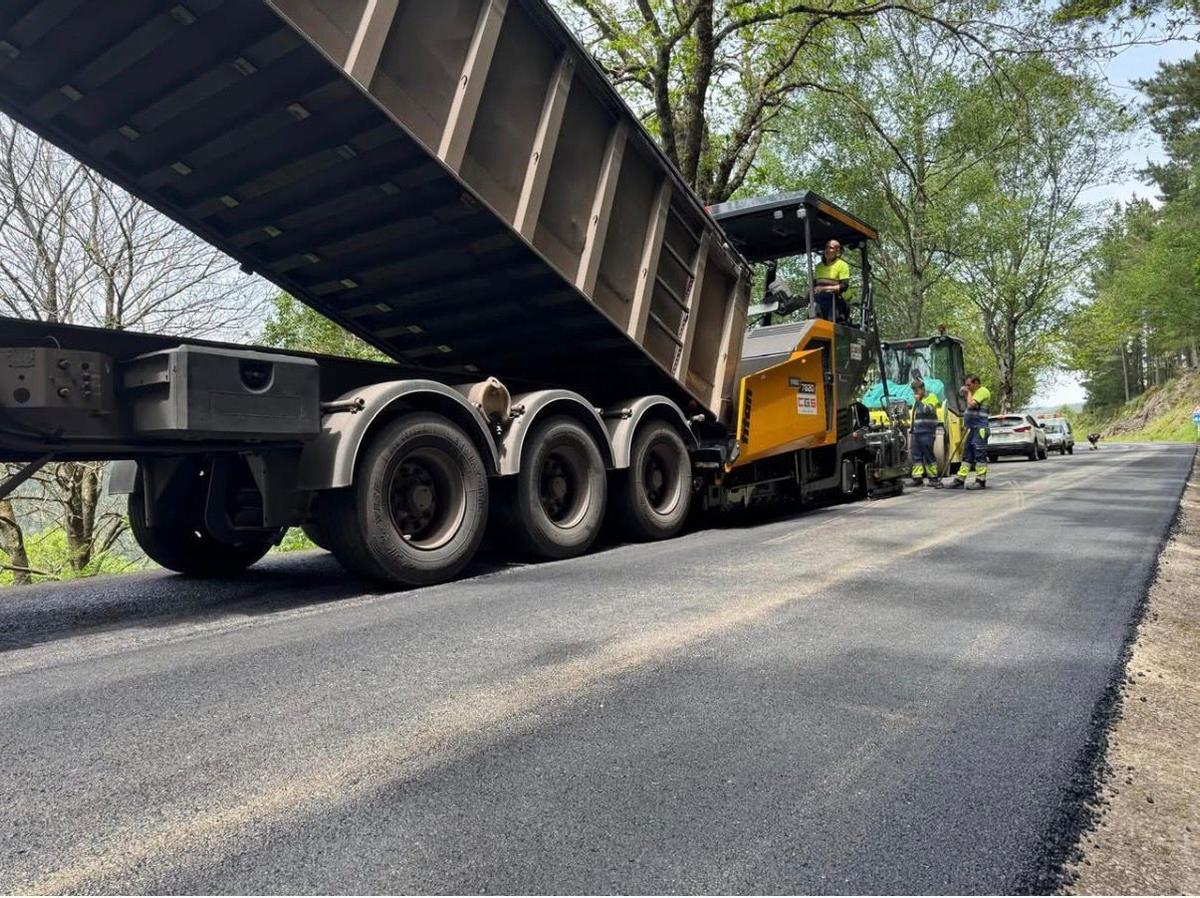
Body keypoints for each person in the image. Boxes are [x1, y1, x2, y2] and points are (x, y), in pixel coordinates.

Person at [947, 374, 991, 490]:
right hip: (972, 428)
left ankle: (980, 481)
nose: (967, 387)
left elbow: (971, 405)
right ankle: (960, 480)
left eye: (969, 385)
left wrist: (967, 393)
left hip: (980, 428)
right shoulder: (974, 393)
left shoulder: (983, 391)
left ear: (976, 383)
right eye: (966, 385)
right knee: (967, 455)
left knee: (979, 455)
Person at [906, 379, 943, 488]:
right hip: (917, 432)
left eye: (916, 391)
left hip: (927, 432)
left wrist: (918, 402)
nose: (915, 393)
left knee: (928, 455)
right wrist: (911, 428)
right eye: (914, 391)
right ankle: (917, 478)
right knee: (916, 455)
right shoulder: (917, 400)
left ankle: (933, 478)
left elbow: (928, 410)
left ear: (922, 389)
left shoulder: (931, 397)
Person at [811, 240, 851, 322]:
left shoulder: (842, 265)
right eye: (826, 247)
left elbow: (844, 286)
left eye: (831, 248)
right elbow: (815, 285)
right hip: (820, 300)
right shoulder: (819, 266)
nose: (827, 250)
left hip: (836, 301)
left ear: (837, 251)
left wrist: (823, 289)